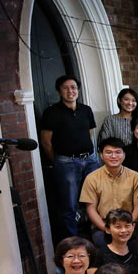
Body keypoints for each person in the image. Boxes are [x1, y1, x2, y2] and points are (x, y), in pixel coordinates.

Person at [39, 74, 98, 240]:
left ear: (78, 90)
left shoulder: (86, 110)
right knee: (69, 205)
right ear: (59, 91)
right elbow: (46, 142)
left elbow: (89, 134)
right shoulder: (51, 112)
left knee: (96, 199)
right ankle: (74, 242)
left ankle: (97, 236)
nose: (70, 91)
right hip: (66, 163)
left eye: (73, 87)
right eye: (65, 88)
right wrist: (59, 162)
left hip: (91, 160)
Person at [80, 137, 138, 242]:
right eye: (108, 152)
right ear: (101, 155)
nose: (113, 156)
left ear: (124, 155)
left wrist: (127, 227)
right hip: (103, 226)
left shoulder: (135, 177)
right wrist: (106, 229)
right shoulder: (92, 178)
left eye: (118, 152)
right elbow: (91, 209)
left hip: (128, 224)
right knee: (100, 240)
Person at [93, 209, 138, 274]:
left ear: (133, 227)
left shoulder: (135, 250)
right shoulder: (100, 254)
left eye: (127, 226)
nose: (123, 230)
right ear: (108, 229)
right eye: (118, 227)